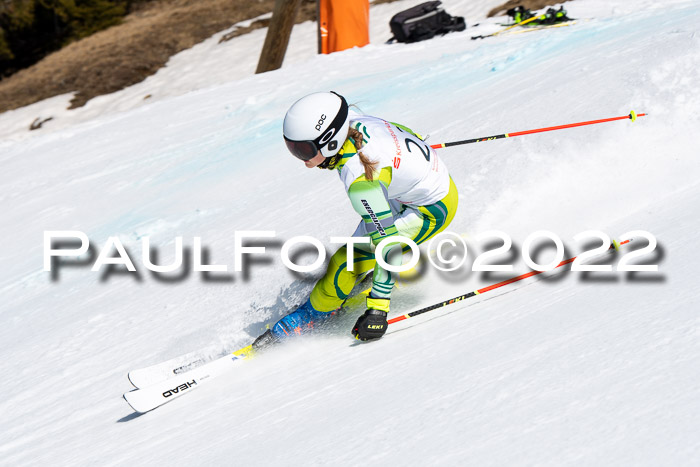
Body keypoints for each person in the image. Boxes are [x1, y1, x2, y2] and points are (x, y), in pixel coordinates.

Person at [253, 91, 458, 347]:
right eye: (294, 148)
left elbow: (388, 245)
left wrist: (378, 310)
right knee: (358, 252)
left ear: (330, 141)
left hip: (430, 208)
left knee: (346, 261)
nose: (304, 162)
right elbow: (395, 130)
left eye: (304, 150)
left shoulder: (361, 180)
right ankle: (340, 290)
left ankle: (309, 317)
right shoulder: (351, 122)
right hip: (406, 189)